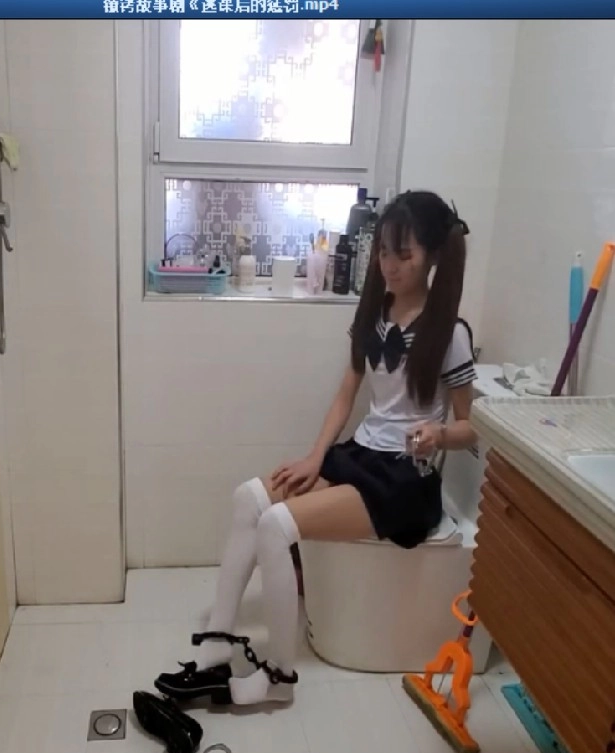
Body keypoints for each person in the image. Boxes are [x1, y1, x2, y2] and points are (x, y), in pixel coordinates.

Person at [154, 190, 479, 707]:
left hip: (404, 481)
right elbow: (346, 394)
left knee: (276, 526)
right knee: (248, 498)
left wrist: (438, 434)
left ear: (432, 256)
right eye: (384, 252)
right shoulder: (376, 314)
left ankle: (279, 678)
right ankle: (217, 643)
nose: (390, 265)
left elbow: (470, 428)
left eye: (404, 254)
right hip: (361, 456)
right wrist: (315, 458)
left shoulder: (449, 333)